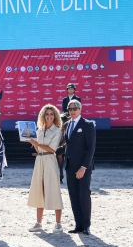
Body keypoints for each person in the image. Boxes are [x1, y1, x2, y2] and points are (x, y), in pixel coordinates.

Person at [26, 104, 65, 233]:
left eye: (51, 114)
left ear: (55, 116)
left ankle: (58, 223)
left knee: (53, 189)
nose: (49, 116)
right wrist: (33, 143)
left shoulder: (57, 131)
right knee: (39, 190)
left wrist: (37, 143)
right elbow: (38, 149)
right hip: (39, 160)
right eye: (47, 114)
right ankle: (38, 223)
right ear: (43, 116)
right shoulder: (39, 130)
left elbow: (52, 149)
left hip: (50, 159)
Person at [63, 100, 96, 235]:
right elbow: (67, 146)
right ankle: (78, 225)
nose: (72, 110)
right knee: (73, 196)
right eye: (70, 108)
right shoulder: (66, 125)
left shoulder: (88, 125)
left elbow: (91, 148)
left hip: (83, 167)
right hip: (70, 167)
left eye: (75, 108)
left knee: (84, 195)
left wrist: (84, 167)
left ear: (80, 109)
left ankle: (86, 225)